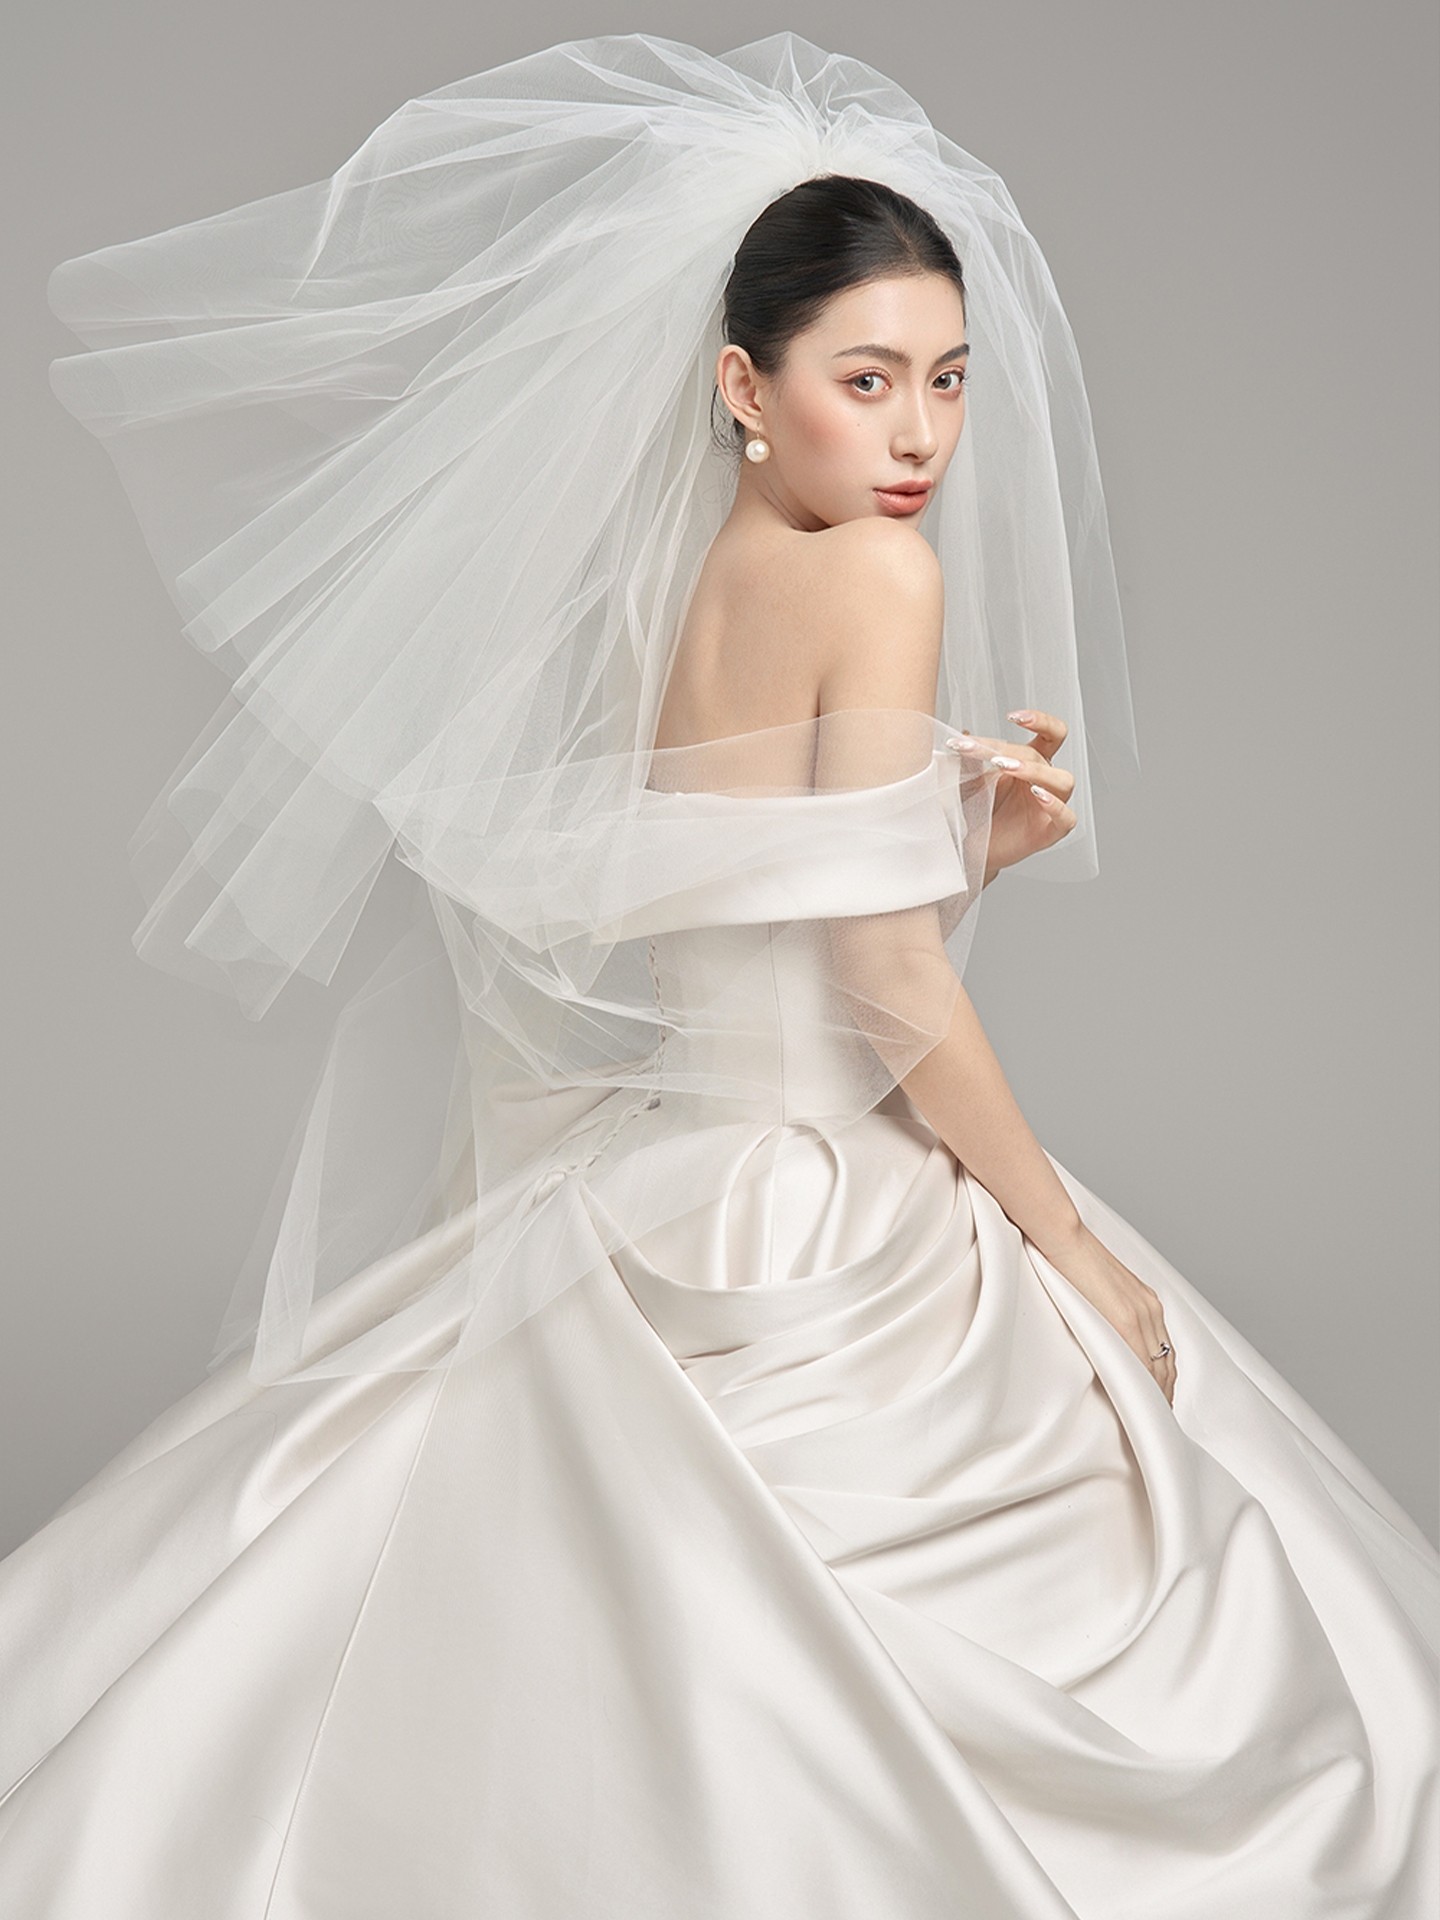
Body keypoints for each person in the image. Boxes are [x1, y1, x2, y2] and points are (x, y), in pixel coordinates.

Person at [2, 33, 1435, 1920]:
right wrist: (1070, 1246)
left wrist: (955, 842)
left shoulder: (704, 572)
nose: (918, 439)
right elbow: (881, 988)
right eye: (866, 380)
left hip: (668, 1173)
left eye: (949, 380)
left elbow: (721, 900)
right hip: (825, 1205)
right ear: (746, 385)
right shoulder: (884, 581)